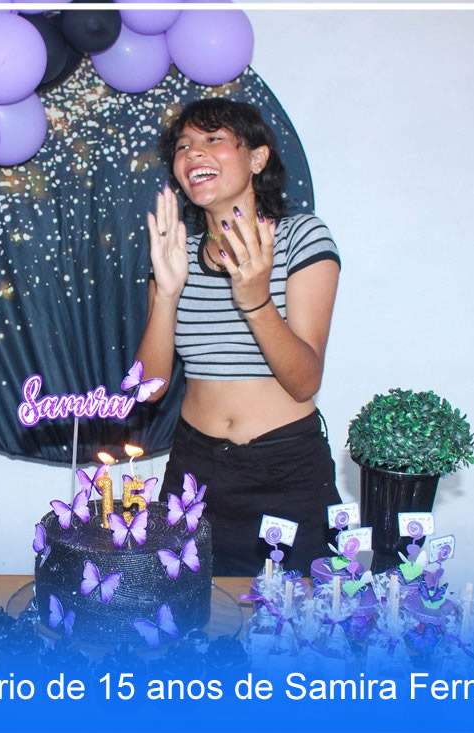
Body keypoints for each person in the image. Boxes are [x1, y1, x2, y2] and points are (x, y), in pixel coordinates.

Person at [134, 98, 341, 576]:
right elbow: (148, 390)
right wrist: (167, 292)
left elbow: (304, 381)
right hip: (194, 470)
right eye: (183, 145)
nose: (193, 152)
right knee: (188, 610)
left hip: (285, 468)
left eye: (213, 139)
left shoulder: (300, 237)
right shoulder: (175, 253)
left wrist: (255, 300)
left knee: (295, 615)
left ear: (257, 158)